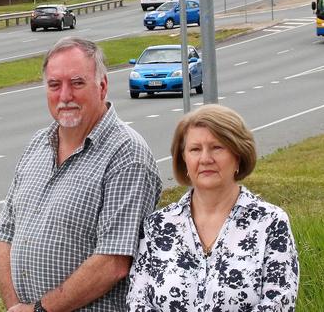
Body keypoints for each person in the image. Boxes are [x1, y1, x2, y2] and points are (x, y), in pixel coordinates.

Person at [0, 37, 163, 312]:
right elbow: (6, 234)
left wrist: (39, 310)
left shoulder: (127, 154)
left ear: (102, 86)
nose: (65, 96)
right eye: (54, 85)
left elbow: (114, 262)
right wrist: (15, 307)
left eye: (77, 83)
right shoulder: (37, 144)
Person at [127, 104, 299, 311]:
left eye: (217, 147)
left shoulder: (270, 222)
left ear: (238, 155)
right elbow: (137, 302)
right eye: (195, 149)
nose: (205, 159)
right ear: (184, 159)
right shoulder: (157, 226)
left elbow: (278, 303)